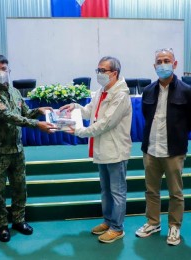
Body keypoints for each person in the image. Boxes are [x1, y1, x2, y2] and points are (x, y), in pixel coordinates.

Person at [0, 54, 55, 243]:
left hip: (16, 150)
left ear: (9, 70)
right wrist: (36, 125)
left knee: (20, 187)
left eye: (4, 68)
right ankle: (2, 225)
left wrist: (39, 111)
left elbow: (24, 113)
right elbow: (9, 117)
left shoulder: (14, 92)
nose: (0, 72)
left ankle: (19, 220)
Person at [60, 56, 132, 243]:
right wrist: (76, 107)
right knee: (105, 190)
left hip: (115, 150)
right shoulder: (102, 90)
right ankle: (108, 221)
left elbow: (106, 123)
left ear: (114, 73)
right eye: (98, 70)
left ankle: (117, 228)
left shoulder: (120, 95)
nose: (99, 74)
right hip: (102, 149)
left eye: (103, 71)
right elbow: (90, 111)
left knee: (117, 191)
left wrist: (80, 132)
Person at [135, 48, 191, 246]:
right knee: (151, 190)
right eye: (159, 61)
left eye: (167, 60)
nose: (163, 64)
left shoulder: (186, 91)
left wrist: (177, 134)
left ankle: (174, 226)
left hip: (174, 151)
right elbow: (147, 116)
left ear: (175, 64)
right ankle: (153, 222)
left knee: (175, 192)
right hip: (151, 149)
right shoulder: (148, 90)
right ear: (154, 66)